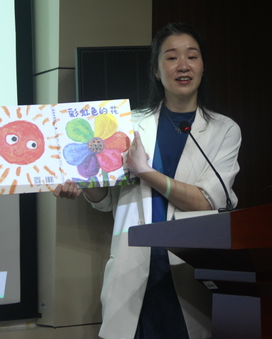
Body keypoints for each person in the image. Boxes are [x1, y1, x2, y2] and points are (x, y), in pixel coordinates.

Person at [54, 22, 242, 339]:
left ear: (202, 66)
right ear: (156, 70)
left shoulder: (224, 130)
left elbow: (206, 201)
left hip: (189, 270)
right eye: (171, 57)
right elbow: (106, 201)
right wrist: (85, 184)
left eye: (192, 56)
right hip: (133, 268)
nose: (183, 65)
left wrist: (146, 172)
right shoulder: (127, 125)